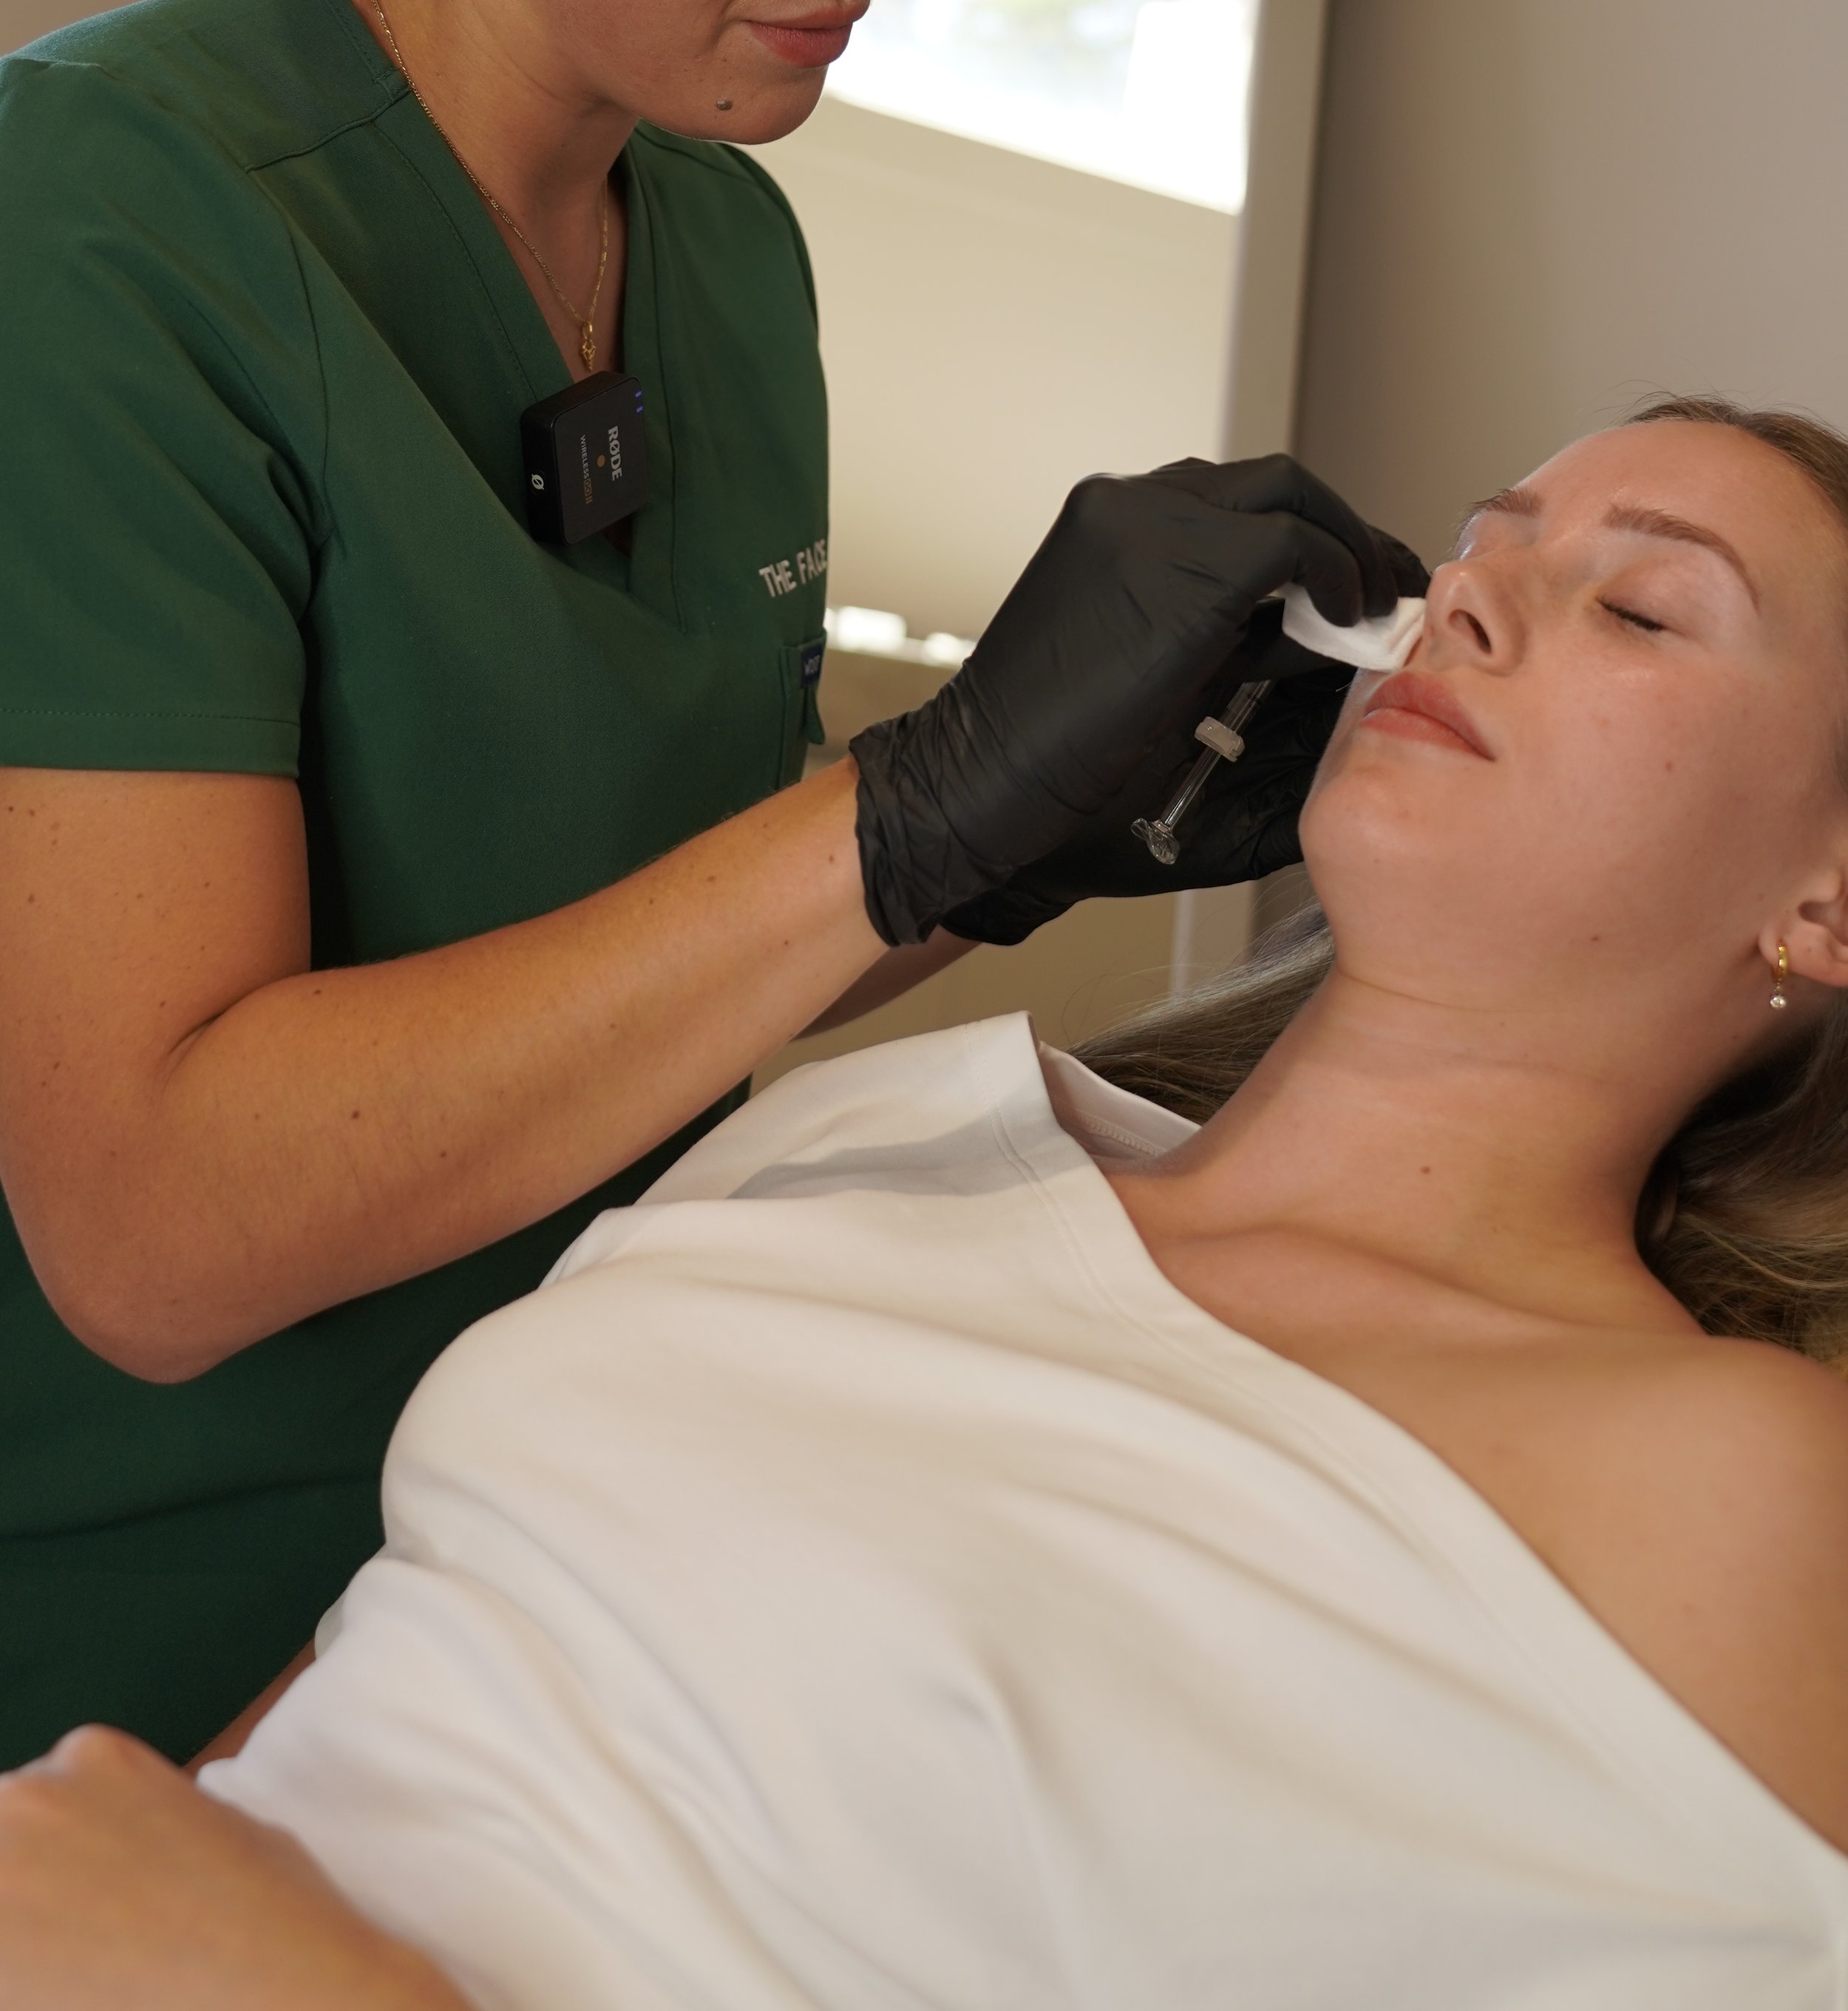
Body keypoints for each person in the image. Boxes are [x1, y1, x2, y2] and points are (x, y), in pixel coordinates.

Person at [0, 0, 1404, 1763]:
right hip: (107, 1662)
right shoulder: (97, 225)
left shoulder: (727, 249)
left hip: (519, 1588)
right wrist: (901, 813)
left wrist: (1022, 840)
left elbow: (606, 980)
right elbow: (158, 1225)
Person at [4, 389, 1847, 2011]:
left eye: (1638, 601)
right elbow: (406, 1667)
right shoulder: (878, 1131)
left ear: (1825, 900)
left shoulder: (1738, 1480)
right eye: (1476, 542)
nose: (1465, 594)